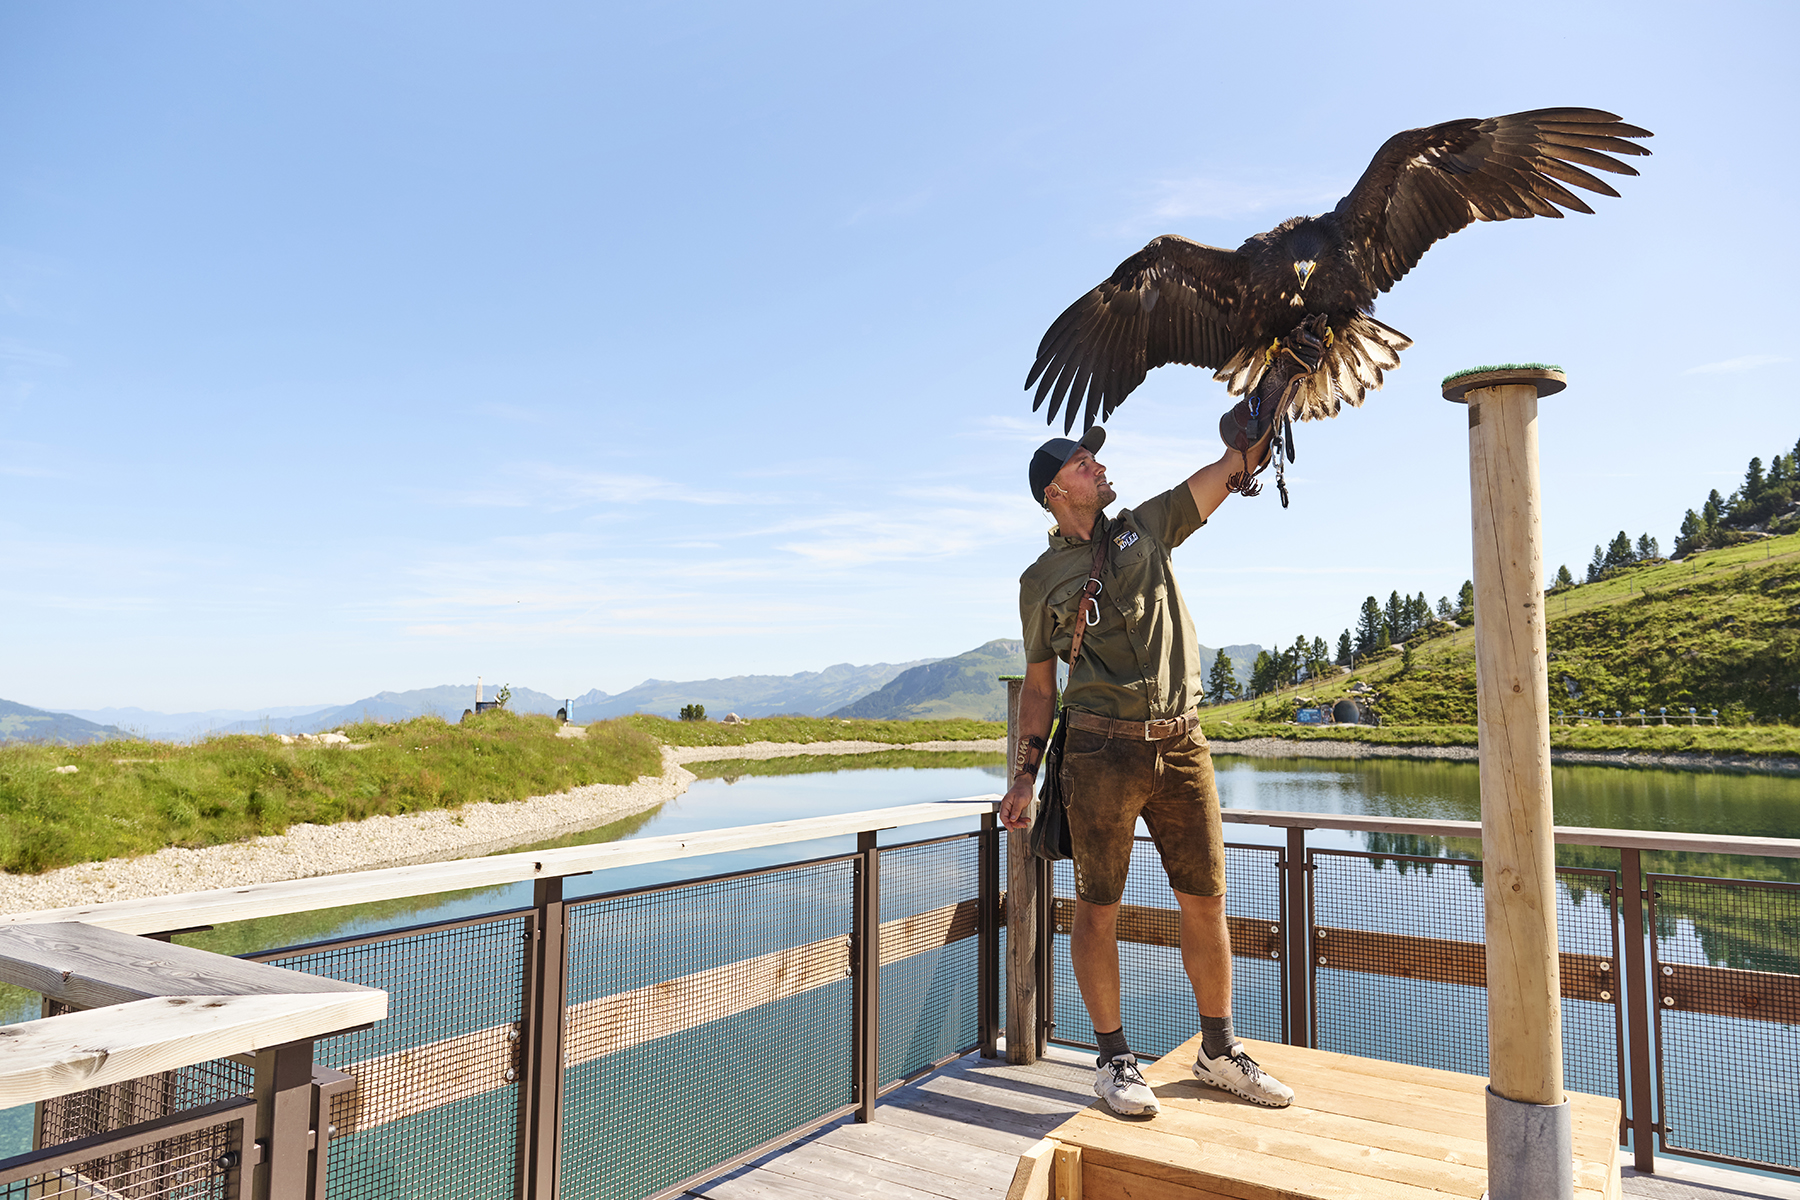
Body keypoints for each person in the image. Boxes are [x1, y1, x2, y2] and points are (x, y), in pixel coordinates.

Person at [999, 423, 1296, 1118]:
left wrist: (1270, 409)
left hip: (1183, 746)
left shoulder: (1147, 526)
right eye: (1083, 463)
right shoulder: (1039, 582)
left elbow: (1231, 467)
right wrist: (1025, 776)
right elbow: (1040, 686)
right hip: (1099, 755)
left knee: (1206, 900)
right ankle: (1114, 1062)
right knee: (1098, 908)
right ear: (1054, 492)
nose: (1099, 467)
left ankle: (1218, 1052)